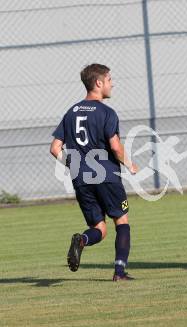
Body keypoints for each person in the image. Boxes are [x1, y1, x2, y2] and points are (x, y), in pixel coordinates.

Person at [50, 63, 138, 281]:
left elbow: (54, 148)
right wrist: (130, 164)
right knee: (122, 222)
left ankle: (82, 240)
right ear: (98, 83)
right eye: (109, 80)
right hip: (106, 176)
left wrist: (73, 165)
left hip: (81, 179)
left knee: (99, 228)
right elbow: (115, 146)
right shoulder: (107, 112)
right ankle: (119, 273)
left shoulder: (71, 112)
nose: (112, 84)